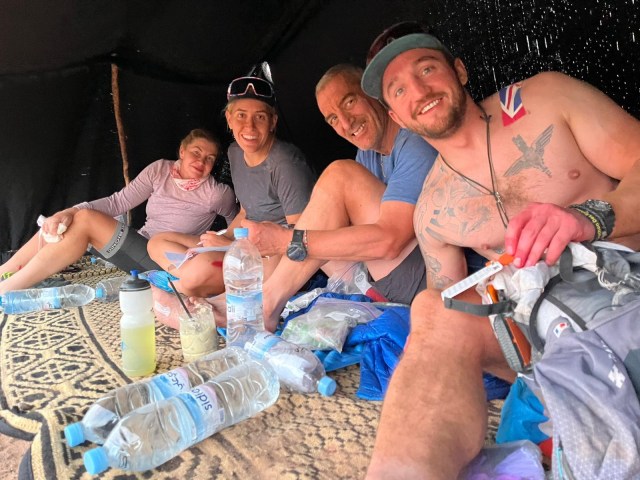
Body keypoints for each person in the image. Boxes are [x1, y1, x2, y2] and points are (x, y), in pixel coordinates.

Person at [359, 25, 640, 478]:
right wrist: (429, 351)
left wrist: (590, 217)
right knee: (433, 311)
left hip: (625, 279)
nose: (420, 91)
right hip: (546, 328)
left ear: (459, 70)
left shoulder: (546, 98)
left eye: (426, 69)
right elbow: (453, 311)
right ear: (397, 116)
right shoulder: (433, 209)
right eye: (399, 89)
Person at [241, 63, 439, 331]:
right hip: (386, 278)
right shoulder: (368, 154)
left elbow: (391, 241)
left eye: (349, 102)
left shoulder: (414, 142)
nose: (346, 123)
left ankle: (266, 304)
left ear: (373, 94)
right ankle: (258, 298)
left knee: (339, 176)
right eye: (333, 119)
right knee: (316, 231)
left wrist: (286, 241)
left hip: (427, 282)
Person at [0, 128, 238, 295]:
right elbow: (118, 203)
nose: (201, 161)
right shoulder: (160, 170)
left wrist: (212, 248)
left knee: (84, 219)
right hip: (141, 245)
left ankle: (6, 289)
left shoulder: (217, 194)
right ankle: (5, 273)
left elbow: (234, 230)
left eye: (209, 158)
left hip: (166, 263)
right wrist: (68, 211)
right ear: (182, 152)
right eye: (196, 152)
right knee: (65, 220)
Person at [147, 73, 316, 299]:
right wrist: (225, 239)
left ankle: (188, 282)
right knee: (157, 242)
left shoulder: (286, 162)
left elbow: (300, 236)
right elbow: (245, 211)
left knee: (201, 270)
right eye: (241, 115)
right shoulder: (235, 152)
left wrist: (231, 246)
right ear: (229, 119)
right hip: (241, 246)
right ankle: (191, 281)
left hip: (272, 254)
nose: (249, 126)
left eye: (260, 117)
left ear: (273, 122)